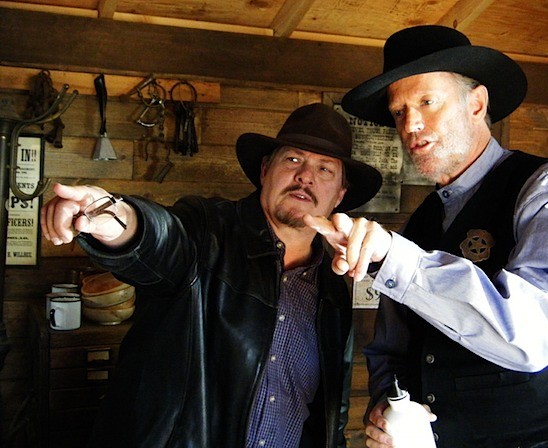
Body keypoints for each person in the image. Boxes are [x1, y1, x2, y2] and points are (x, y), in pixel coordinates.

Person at [303, 26, 548, 448]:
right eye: (399, 112)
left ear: (476, 103)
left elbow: (532, 336)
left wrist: (394, 257)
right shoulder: (421, 224)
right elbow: (391, 350)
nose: (411, 124)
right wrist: (387, 403)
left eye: (427, 102)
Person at [40, 103, 383, 448]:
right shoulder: (206, 232)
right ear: (265, 170)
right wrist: (112, 216)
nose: (306, 176)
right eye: (293, 159)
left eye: (324, 169)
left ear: (339, 195)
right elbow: (161, 239)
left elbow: (331, 414)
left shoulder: (333, 291)